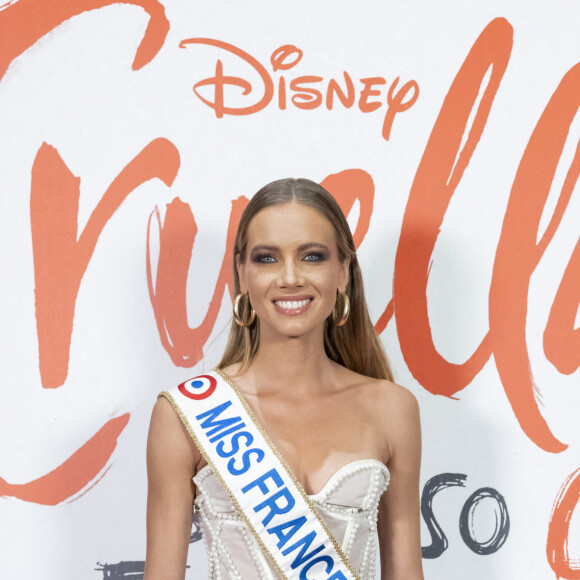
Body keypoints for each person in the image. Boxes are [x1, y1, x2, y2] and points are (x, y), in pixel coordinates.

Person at [144, 178, 424, 580]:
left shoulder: (393, 409)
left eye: (311, 256)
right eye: (267, 258)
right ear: (242, 273)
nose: (289, 277)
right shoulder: (183, 415)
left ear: (342, 272)